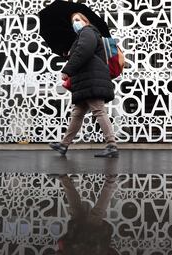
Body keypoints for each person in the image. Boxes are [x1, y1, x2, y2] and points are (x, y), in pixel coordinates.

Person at [49, 12, 118, 158]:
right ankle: (64, 145)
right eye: (73, 20)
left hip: (92, 78)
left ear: (85, 21)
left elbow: (84, 51)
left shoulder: (88, 31)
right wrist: (67, 54)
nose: (75, 22)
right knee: (77, 113)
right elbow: (81, 52)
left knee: (98, 110)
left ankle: (112, 145)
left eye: (77, 19)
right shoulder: (82, 36)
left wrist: (68, 69)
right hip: (85, 80)